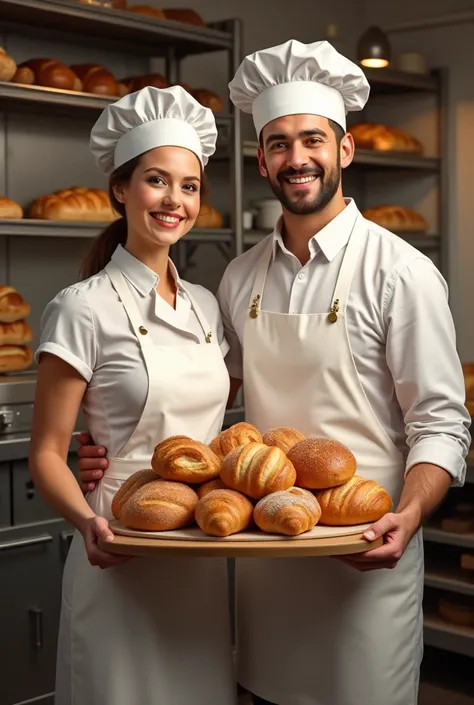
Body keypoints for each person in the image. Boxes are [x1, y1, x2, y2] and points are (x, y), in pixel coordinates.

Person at [74, 40, 472, 705]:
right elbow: (199, 390)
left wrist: (406, 513)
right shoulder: (239, 275)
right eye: (279, 143)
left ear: (344, 150)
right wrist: (106, 444)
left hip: (365, 561)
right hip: (264, 559)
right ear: (261, 159)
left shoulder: (399, 272)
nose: (297, 158)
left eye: (312, 139)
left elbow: (442, 421)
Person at [28, 85, 237, 705]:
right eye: (156, 181)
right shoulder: (81, 306)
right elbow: (46, 453)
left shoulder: (206, 305)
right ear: (121, 190)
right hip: (118, 546)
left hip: (199, 547)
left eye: (190, 186)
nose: (175, 200)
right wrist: (89, 522)